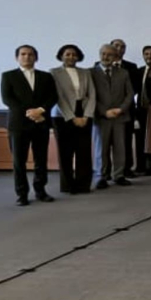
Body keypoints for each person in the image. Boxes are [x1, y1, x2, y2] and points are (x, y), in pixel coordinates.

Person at [1, 45, 58, 206]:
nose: (27, 57)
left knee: (41, 159)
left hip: (41, 123)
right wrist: (30, 112)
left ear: (36, 57)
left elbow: (53, 96)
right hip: (18, 125)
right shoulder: (8, 76)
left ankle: (40, 191)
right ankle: (22, 194)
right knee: (19, 161)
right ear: (17, 57)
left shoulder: (46, 77)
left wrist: (40, 110)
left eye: (30, 54)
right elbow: (8, 99)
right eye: (23, 54)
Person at [50, 44, 96, 195]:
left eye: (74, 54)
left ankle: (83, 185)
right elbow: (58, 97)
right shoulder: (54, 73)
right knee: (65, 152)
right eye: (67, 54)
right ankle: (68, 185)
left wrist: (87, 115)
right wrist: (71, 117)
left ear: (78, 57)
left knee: (83, 151)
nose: (71, 57)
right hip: (62, 115)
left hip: (83, 112)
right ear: (61, 56)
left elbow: (91, 94)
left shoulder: (85, 72)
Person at [92, 44, 134, 190]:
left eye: (110, 54)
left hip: (119, 116)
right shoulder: (91, 73)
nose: (106, 57)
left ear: (115, 56)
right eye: (103, 54)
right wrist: (104, 111)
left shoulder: (123, 73)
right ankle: (100, 177)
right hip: (101, 117)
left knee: (120, 148)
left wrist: (121, 109)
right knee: (100, 149)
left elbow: (130, 94)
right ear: (99, 54)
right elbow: (90, 96)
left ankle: (118, 175)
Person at [109, 38, 141, 177]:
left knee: (126, 140)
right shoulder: (99, 65)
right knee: (107, 142)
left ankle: (126, 169)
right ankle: (106, 171)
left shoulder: (131, 67)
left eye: (123, 47)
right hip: (106, 111)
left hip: (126, 108)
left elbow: (134, 89)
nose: (119, 49)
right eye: (116, 46)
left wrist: (122, 106)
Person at [135, 45, 151, 176]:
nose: (149, 56)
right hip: (141, 109)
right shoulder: (138, 71)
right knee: (141, 139)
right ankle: (142, 166)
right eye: (146, 54)